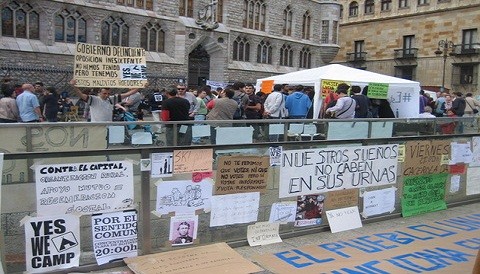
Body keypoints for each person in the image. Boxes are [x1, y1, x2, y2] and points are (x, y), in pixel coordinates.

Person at [69, 79, 141, 122]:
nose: (107, 95)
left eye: (108, 93)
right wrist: (74, 86)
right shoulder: (93, 99)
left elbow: (129, 93)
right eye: (104, 93)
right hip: (96, 126)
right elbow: (81, 95)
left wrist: (141, 86)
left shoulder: (111, 99)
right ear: (99, 92)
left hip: (108, 125)